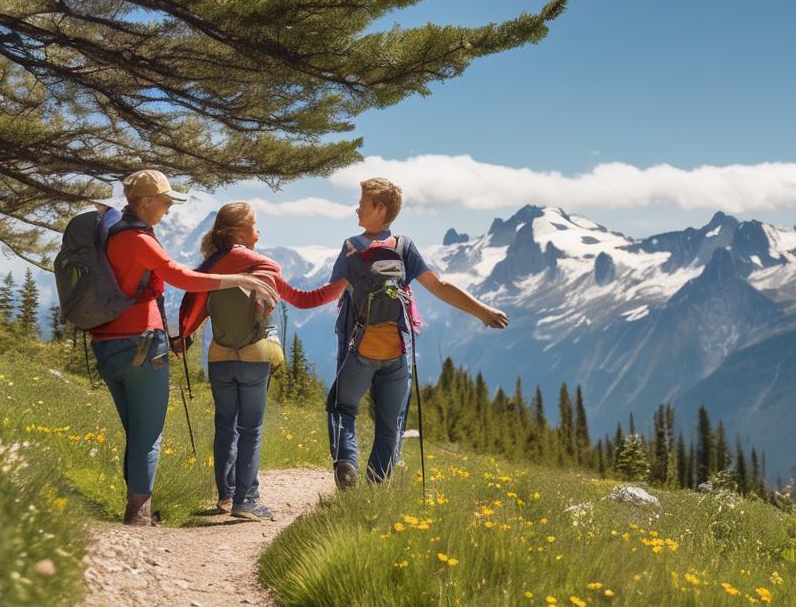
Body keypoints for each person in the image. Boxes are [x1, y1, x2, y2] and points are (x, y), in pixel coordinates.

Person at [277, 177, 509, 488]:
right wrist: (484, 311)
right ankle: (375, 488)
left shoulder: (351, 250)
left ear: (380, 209)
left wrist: (277, 284)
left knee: (341, 407)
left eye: (362, 203)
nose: (357, 208)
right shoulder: (404, 247)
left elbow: (320, 297)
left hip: (360, 349)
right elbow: (439, 287)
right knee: (391, 424)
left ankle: (347, 463)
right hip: (397, 351)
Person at [90, 170, 276, 526]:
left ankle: (137, 507)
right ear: (144, 201)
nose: (168, 209)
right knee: (148, 434)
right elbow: (180, 276)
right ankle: (138, 515)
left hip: (106, 341)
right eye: (164, 201)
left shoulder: (112, 237)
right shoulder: (137, 239)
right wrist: (238, 278)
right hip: (141, 342)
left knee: (136, 429)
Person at [176, 201, 286, 520]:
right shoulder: (258, 270)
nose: (258, 231)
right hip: (253, 356)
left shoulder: (210, 268)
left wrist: (184, 335)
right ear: (239, 231)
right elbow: (265, 316)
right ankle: (246, 500)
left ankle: (225, 496)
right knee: (250, 428)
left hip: (219, 359)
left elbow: (195, 311)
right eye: (254, 225)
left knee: (225, 425)